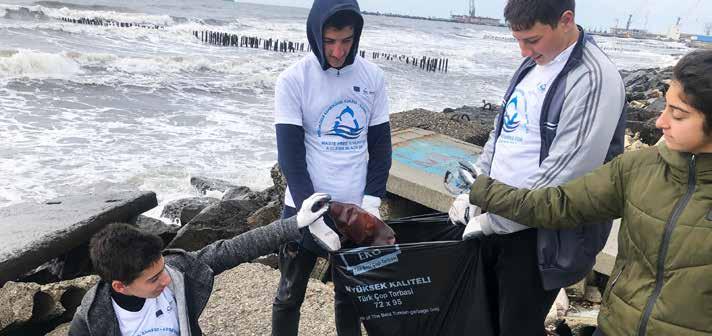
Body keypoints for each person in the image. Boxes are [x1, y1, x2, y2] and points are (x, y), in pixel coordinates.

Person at [467, 49, 712, 336]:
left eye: (678, 114)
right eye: (665, 107)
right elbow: (559, 203)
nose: (660, 122)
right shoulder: (638, 169)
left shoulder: (598, 75)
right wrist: (482, 190)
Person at [447, 0, 626, 334]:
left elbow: (566, 175)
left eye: (531, 40)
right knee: (480, 323)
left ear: (566, 20)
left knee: (515, 327)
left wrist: (493, 220)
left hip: (540, 237)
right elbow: (501, 134)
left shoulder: (592, 78)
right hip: (497, 215)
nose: (523, 52)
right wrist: (474, 192)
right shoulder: (533, 64)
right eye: (517, 40)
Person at [271, 0, 391, 335]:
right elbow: (290, 156)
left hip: (355, 211)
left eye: (347, 40)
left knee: (350, 296)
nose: (338, 51)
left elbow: (380, 147)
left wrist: (371, 202)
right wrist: (313, 213)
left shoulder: (373, 77)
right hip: (304, 206)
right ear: (315, 34)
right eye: (329, 41)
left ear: (356, 36)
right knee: (289, 294)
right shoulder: (293, 79)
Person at [68, 193, 335, 336]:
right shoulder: (92, 318)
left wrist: (295, 223)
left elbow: (233, 249)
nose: (165, 280)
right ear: (120, 286)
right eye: (153, 279)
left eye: (162, 270)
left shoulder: (176, 271)